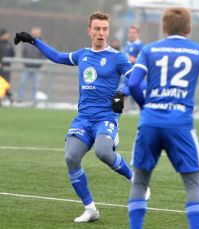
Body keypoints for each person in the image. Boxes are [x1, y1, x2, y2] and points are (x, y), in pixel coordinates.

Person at [14, 11, 147, 223]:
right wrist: (34, 41)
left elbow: (136, 79)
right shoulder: (82, 54)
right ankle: (90, 209)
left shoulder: (118, 57)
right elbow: (58, 57)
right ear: (89, 31)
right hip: (83, 119)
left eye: (104, 29)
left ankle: (135, 179)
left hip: (106, 118)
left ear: (108, 31)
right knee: (71, 158)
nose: (101, 33)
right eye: (97, 29)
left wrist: (123, 93)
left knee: (102, 152)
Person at [127, 7, 199, 229]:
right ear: (189, 28)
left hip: (150, 122)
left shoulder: (149, 50)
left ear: (163, 27)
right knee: (193, 183)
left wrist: (146, 107)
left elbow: (133, 83)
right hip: (180, 124)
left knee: (140, 182)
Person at [17, 26, 45, 104]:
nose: (35, 34)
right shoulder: (26, 43)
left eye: (37, 33)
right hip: (27, 67)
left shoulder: (43, 43)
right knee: (22, 83)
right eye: (34, 33)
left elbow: (44, 55)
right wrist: (26, 62)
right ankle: (20, 99)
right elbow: (23, 53)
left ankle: (33, 100)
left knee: (35, 85)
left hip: (37, 68)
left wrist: (39, 63)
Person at [0, 29, 15, 104]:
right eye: (6, 34)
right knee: (1, 83)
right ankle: (8, 96)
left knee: (5, 84)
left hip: (6, 68)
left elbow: (13, 54)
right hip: (1, 67)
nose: (7, 36)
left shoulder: (9, 44)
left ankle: (8, 95)